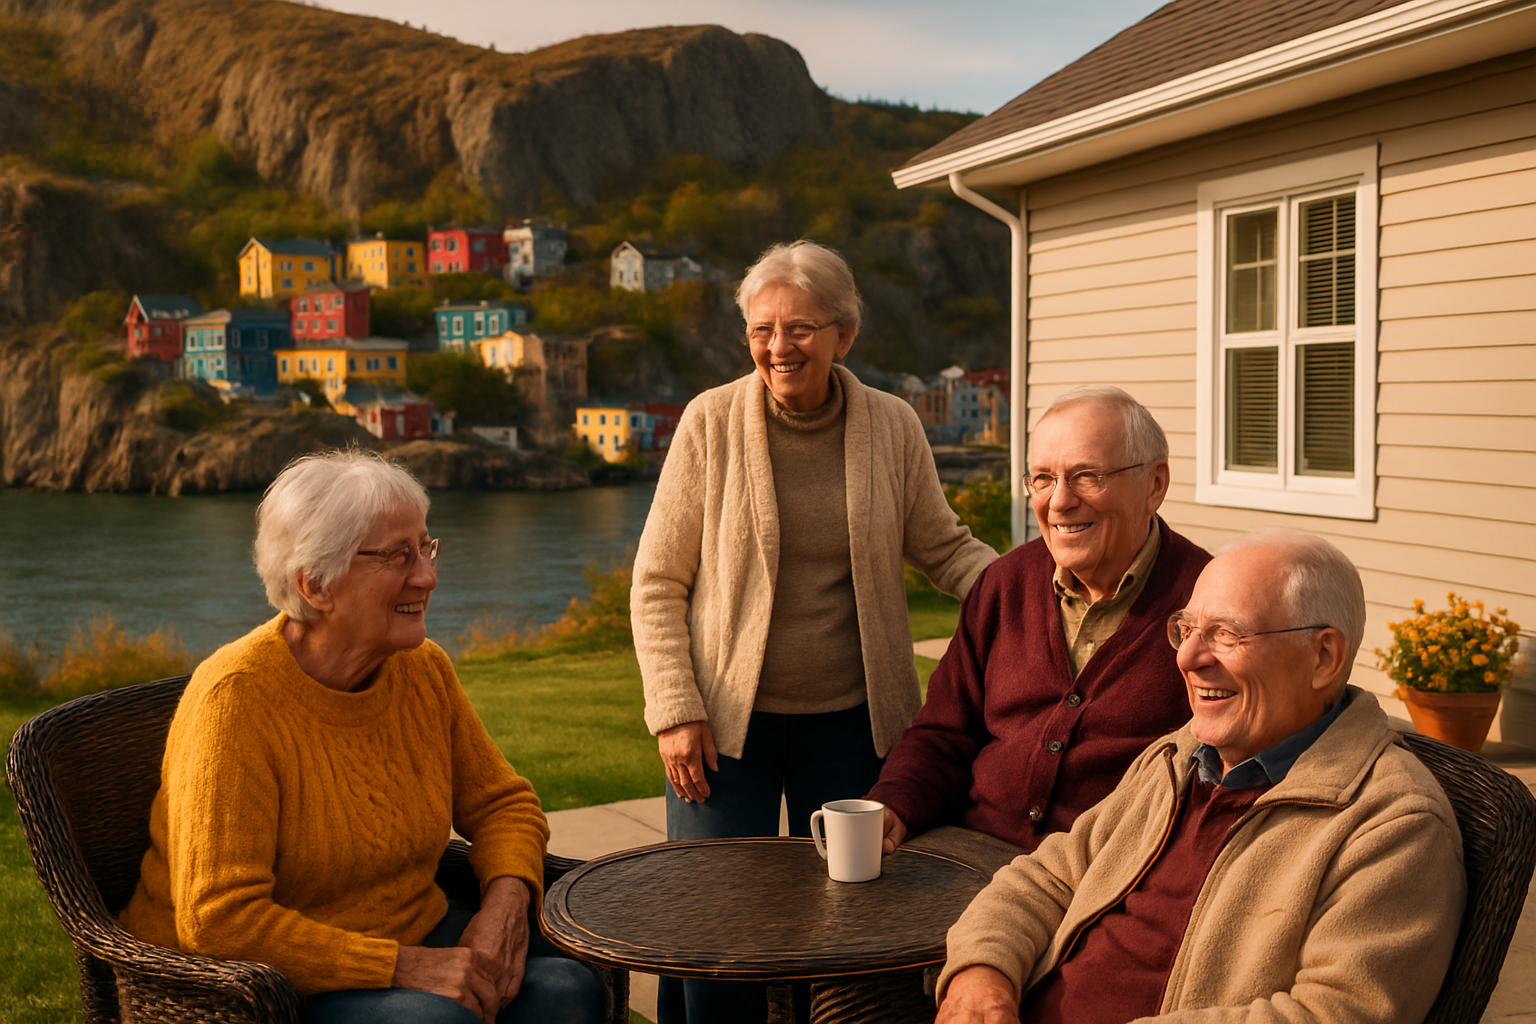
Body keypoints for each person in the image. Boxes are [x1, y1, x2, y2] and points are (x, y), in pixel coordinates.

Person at [631, 240, 997, 1023]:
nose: (778, 346)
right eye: (762, 330)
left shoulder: (892, 426)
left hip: (853, 727)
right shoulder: (709, 422)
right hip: (724, 732)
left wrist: (1035, 592)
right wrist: (675, 707)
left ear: (844, 334)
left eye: (799, 328)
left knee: (845, 927)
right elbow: (658, 582)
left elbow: (945, 548)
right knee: (712, 925)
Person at [119, 450, 606, 1024]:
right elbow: (221, 919)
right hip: (258, 985)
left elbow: (504, 804)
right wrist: (407, 969)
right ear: (316, 584)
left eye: (425, 547)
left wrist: (505, 902)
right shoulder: (235, 700)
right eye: (398, 556)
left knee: (574, 988)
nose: (427, 576)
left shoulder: (423, 669)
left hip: (413, 929)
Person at [935, 530, 1466, 1024]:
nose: (1187, 657)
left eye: (1226, 634)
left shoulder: (1393, 824)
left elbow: (1333, 1012)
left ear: (1324, 657)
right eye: (1186, 629)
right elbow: (1049, 876)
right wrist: (981, 975)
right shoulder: (1180, 757)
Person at [869, 385, 1210, 856]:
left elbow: (1227, 774)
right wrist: (895, 805)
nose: (1059, 501)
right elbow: (943, 735)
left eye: (1087, 476)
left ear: (1155, 484)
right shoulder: (1002, 585)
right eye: (1043, 479)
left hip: (1108, 876)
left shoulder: (1210, 605)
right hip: (970, 850)